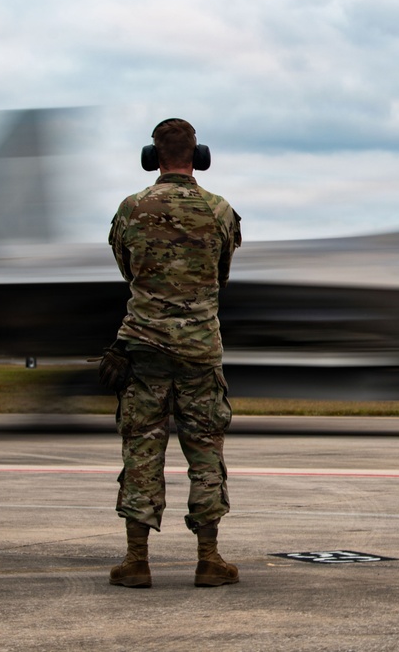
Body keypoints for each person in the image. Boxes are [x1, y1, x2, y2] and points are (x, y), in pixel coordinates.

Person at [106, 118, 241, 588]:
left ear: (153, 158)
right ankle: (209, 559)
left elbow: (128, 270)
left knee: (142, 451)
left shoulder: (131, 208)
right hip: (200, 351)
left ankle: (136, 561)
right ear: (198, 157)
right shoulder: (219, 210)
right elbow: (221, 274)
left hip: (143, 349)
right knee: (205, 453)